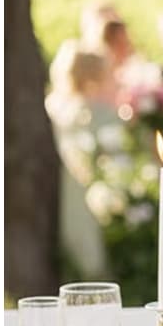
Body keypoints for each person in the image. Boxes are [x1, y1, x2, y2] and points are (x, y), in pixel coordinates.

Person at [45, 42, 122, 277]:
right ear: (94, 80)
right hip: (91, 203)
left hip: (54, 202)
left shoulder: (52, 109)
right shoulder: (102, 114)